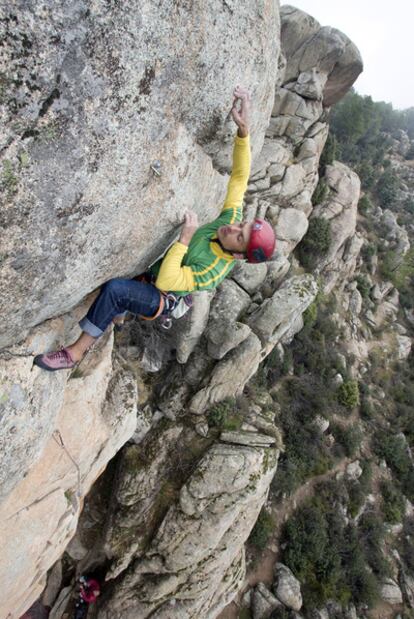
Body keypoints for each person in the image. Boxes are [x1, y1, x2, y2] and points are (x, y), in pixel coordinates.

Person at [34, 86, 276, 372]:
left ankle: (75, 353)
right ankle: (118, 317)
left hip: (161, 296)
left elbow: (166, 280)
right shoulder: (229, 221)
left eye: (240, 236)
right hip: (152, 273)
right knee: (128, 281)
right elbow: (240, 177)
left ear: (238, 256)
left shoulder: (213, 270)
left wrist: (184, 240)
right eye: (241, 224)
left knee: (115, 291)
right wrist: (244, 131)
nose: (233, 228)